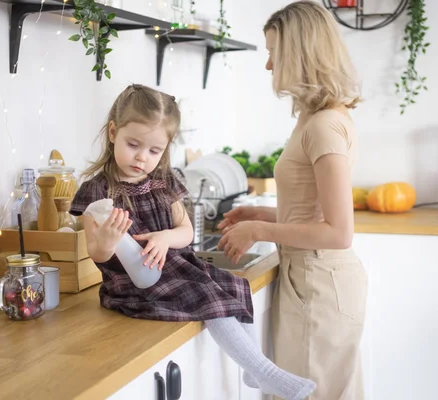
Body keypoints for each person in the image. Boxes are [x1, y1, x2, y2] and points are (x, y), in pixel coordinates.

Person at [69, 83, 316, 400]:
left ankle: (255, 371)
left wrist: (164, 237)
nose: (142, 158)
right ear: (113, 132)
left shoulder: (164, 182)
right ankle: (266, 373)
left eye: (154, 151)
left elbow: (186, 232)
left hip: (175, 268)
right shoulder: (97, 193)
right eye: (133, 144)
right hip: (135, 286)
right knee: (209, 298)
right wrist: (107, 240)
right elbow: (96, 253)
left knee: (233, 284)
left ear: (166, 148)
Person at [217, 2, 368, 400]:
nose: (269, 66)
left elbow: (338, 232)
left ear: (299, 53)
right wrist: (260, 213)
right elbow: (313, 212)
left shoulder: (323, 125)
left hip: (319, 281)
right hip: (314, 277)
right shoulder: (316, 118)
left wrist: (260, 228)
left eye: (272, 52)